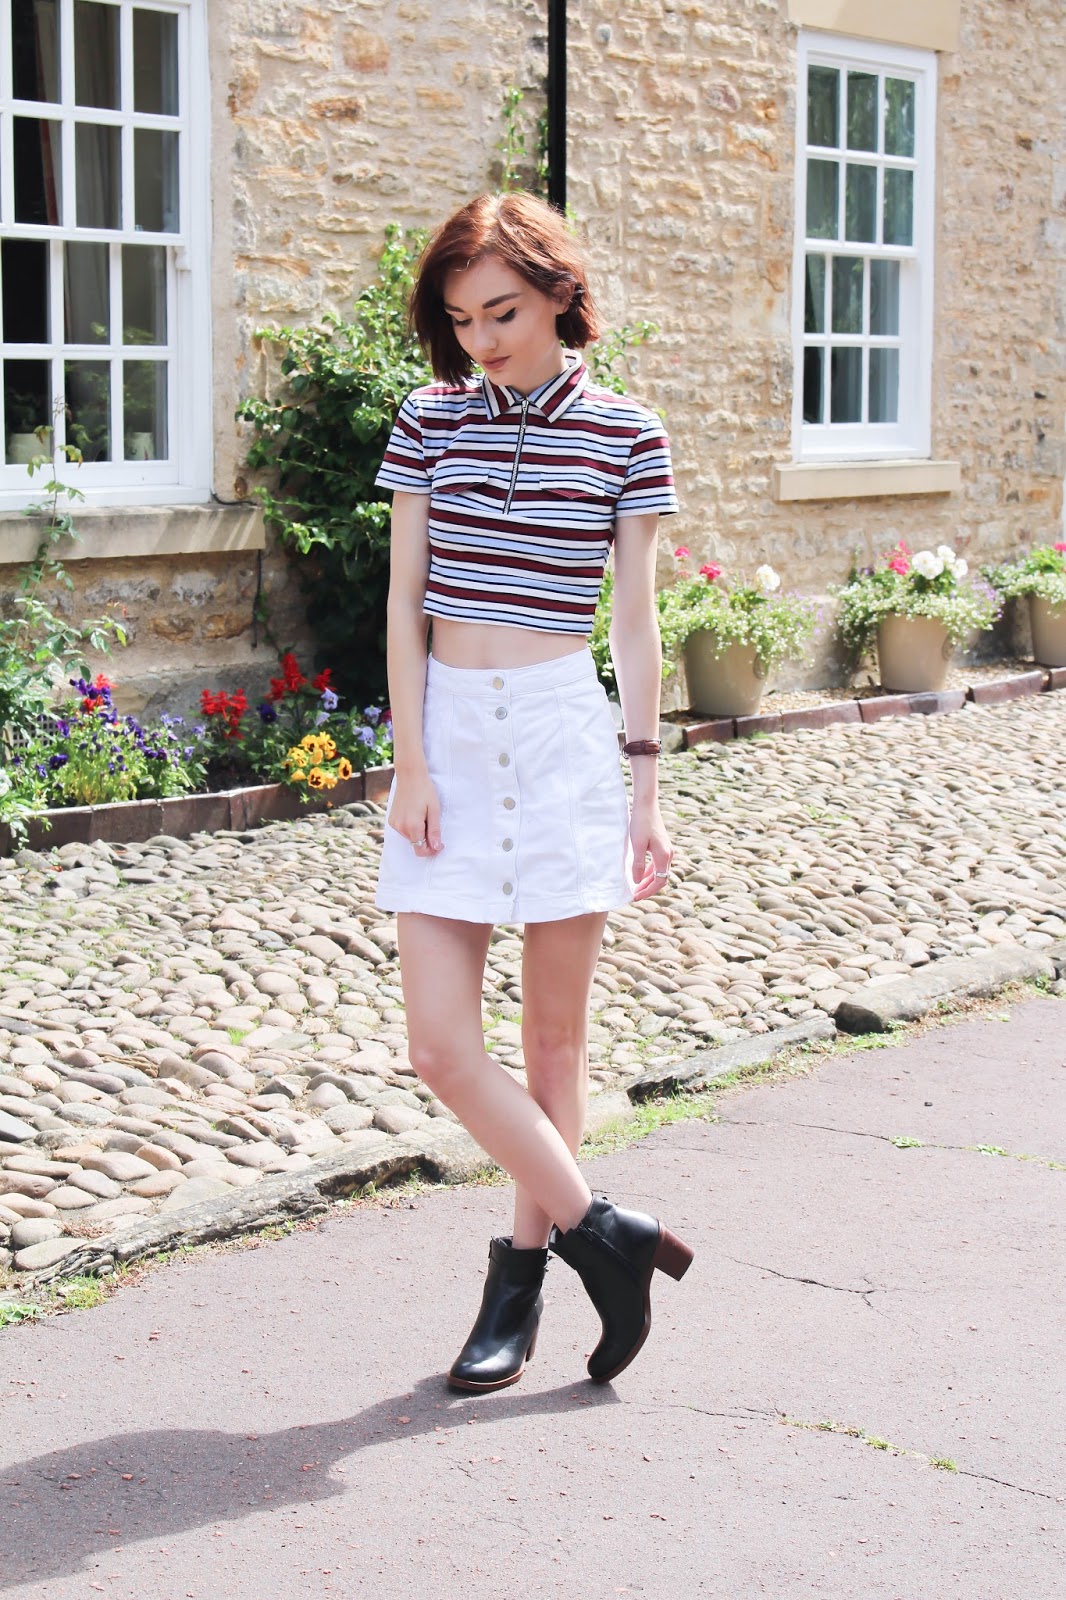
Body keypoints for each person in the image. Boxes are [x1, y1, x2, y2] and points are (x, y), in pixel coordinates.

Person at [373, 191, 693, 1392]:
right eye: (461, 320)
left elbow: (636, 622)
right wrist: (410, 761)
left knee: (553, 1042)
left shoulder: (626, 432)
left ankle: (517, 1284)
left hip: (563, 735)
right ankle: (603, 1233)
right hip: (450, 738)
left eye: (501, 312)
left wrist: (645, 786)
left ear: (561, 292)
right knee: (438, 1046)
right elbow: (404, 602)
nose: (481, 341)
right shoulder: (429, 421)